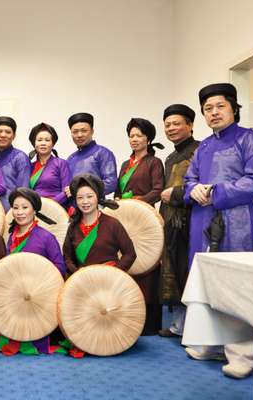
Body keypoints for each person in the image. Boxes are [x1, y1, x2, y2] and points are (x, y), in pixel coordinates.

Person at [183, 83, 253, 379]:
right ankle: (207, 341)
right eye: (208, 109)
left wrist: (217, 191)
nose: (214, 113)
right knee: (206, 282)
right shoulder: (204, 146)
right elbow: (189, 179)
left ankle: (242, 354)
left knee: (236, 285)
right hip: (203, 220)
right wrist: (193, 189)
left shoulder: (250, 140)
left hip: (236, 220)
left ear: (233, 108)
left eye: (220, 106)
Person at [0, 187, 66, 356]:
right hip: (15, 294)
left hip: (39, 296)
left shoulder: (46, 237)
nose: (19, 212)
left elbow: (59, 268)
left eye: (25, 207)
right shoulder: (11, 235)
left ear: (34, 209)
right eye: (15, 207)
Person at [115, 117, 164, 336]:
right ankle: (127, 316)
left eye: (139, 136)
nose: (134, 139)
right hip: (125, 217)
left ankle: (149, 322)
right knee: (127, 262)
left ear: (148, 139)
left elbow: (158, 190)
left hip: (145, 219)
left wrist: (138, 201)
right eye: (131, 135)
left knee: (147, 264)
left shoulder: (154, 162)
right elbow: (117, 190)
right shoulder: (126, 164)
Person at [158, 104, 200, 338]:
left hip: (192, 222)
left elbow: (201, 186)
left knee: (189, 271)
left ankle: (194, 329)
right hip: (171, 222)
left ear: (190, 125)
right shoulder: (171, 156)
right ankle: (180, 325)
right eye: (168, 124)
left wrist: (174, 194)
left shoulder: (199, 151)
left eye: (177, 123)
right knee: (175, 270)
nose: (172, 128)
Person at [63, 174, 136, 274]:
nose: (85, 201)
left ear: (97, 197)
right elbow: (67, 258)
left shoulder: (112, 224)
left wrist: (113, 272)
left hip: (110, 283)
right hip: (83, 282)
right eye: (80, 197)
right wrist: (78, 274)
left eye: (89, 196)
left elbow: (130, 254)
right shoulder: (73, 227)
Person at [65, 112, 118, 198]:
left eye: (84, 131)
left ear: (92, 131)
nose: (79, 135)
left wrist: (79, 190)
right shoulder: (70, 159)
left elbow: (111, 183)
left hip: (95, 207)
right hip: (72, 208)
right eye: (75, 132)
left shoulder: (103, 153)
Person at [0, 116, 31, 211]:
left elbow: (23, 190)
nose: (3, 135)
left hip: (14, 213)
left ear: (14, 135)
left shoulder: (20, 157)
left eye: (8, 132)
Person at [27, 122, 71, 206]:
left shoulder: (61, 163)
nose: (43, 143)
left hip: (56, 209)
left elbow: (67, 191)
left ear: (52, 144)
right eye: (39, 140)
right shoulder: (30, 166)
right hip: (35, 210)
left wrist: (49, 205)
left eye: (47, 140)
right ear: (34, 143)